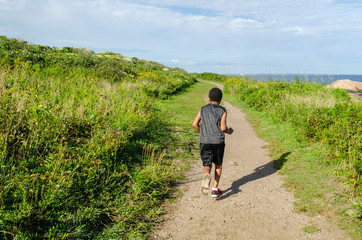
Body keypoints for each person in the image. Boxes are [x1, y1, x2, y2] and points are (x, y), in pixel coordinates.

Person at [192, 87, 233, 198]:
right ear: (220, 99)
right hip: (218, 141)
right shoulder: (222, 110)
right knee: (218, 164)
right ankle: (215, 189)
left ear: (209, 98)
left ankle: (206, 176)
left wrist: (202, 133)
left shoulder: (203, 109)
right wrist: (230, 131)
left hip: (205, 140)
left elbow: (194, 124)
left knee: (207, 163)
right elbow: (223, 128)